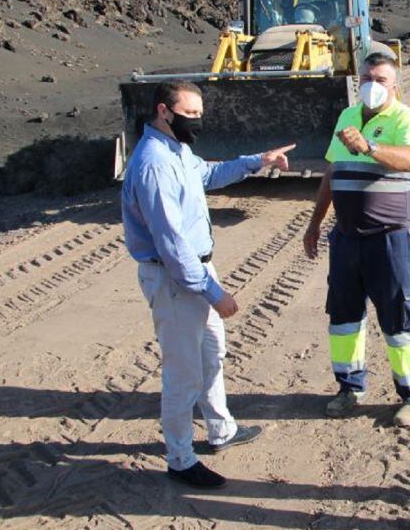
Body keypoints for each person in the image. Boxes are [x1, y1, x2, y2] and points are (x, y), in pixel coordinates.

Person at [121, 81, 295, 489]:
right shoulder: (153, 165)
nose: (197, 121)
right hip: (176, 279)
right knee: (183, 374)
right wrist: (214, 293)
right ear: (164, 111)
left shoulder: (177, 151)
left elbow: (210, 174)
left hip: (194, 273)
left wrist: (258, 161)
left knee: (212, 354)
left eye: (200, 113)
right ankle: (180, 459)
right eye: (191, 113)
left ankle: (222, 430)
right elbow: (171, 244)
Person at [303, 52, 410, 427]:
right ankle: (349, 388)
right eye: (366, 79)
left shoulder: (407, 119)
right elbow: (332, 171)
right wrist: (315, 224)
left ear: (395, 86)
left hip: (389, 240)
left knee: (401, 319)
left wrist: (370, 148)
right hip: (346, 238)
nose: (372, 86)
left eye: (381, 80)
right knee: (343, 318)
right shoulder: (347, 117)